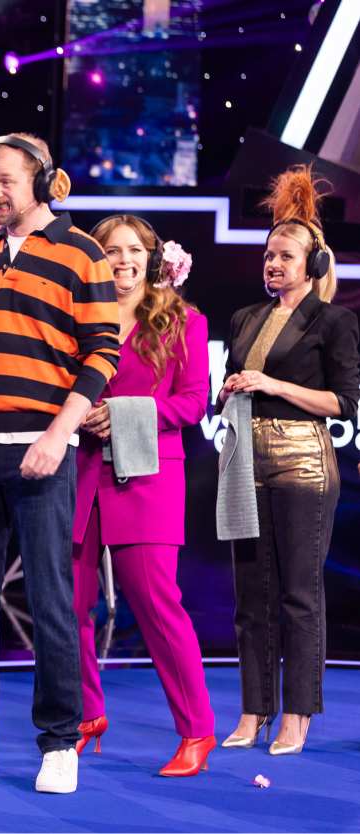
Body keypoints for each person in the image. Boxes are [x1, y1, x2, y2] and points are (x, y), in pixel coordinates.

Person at [0, 133, 119, 794]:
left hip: (44, 444)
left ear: (42, 181)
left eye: (6, 179)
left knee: (49, 600)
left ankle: (60, 740)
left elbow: (103, 352)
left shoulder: (82, 251)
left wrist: (58, 434)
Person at [219, 165, 358, 756]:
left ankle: (298, 714)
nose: (273, 264)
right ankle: (254, 710)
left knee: (299, 595)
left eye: (285, 256)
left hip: (303, 461)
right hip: (245, 458)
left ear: (313, 265)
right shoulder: (246, 318)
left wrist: (272, 384)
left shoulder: (334, 321)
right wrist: (231, 388)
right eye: (268, 255)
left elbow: (344, 402)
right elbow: (239, 380)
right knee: (250, 596)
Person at [70, 215, 215, 776]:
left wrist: (125, 413)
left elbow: (192, 403)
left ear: (151, 259)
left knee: (157, 606)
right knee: (68, 603)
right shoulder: (81, 317)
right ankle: (86, 715)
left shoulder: (183, 321)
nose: (123, 260)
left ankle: (197, 730)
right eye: (111, 250)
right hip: (82, 473)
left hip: (148, 479)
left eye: (133, 250)